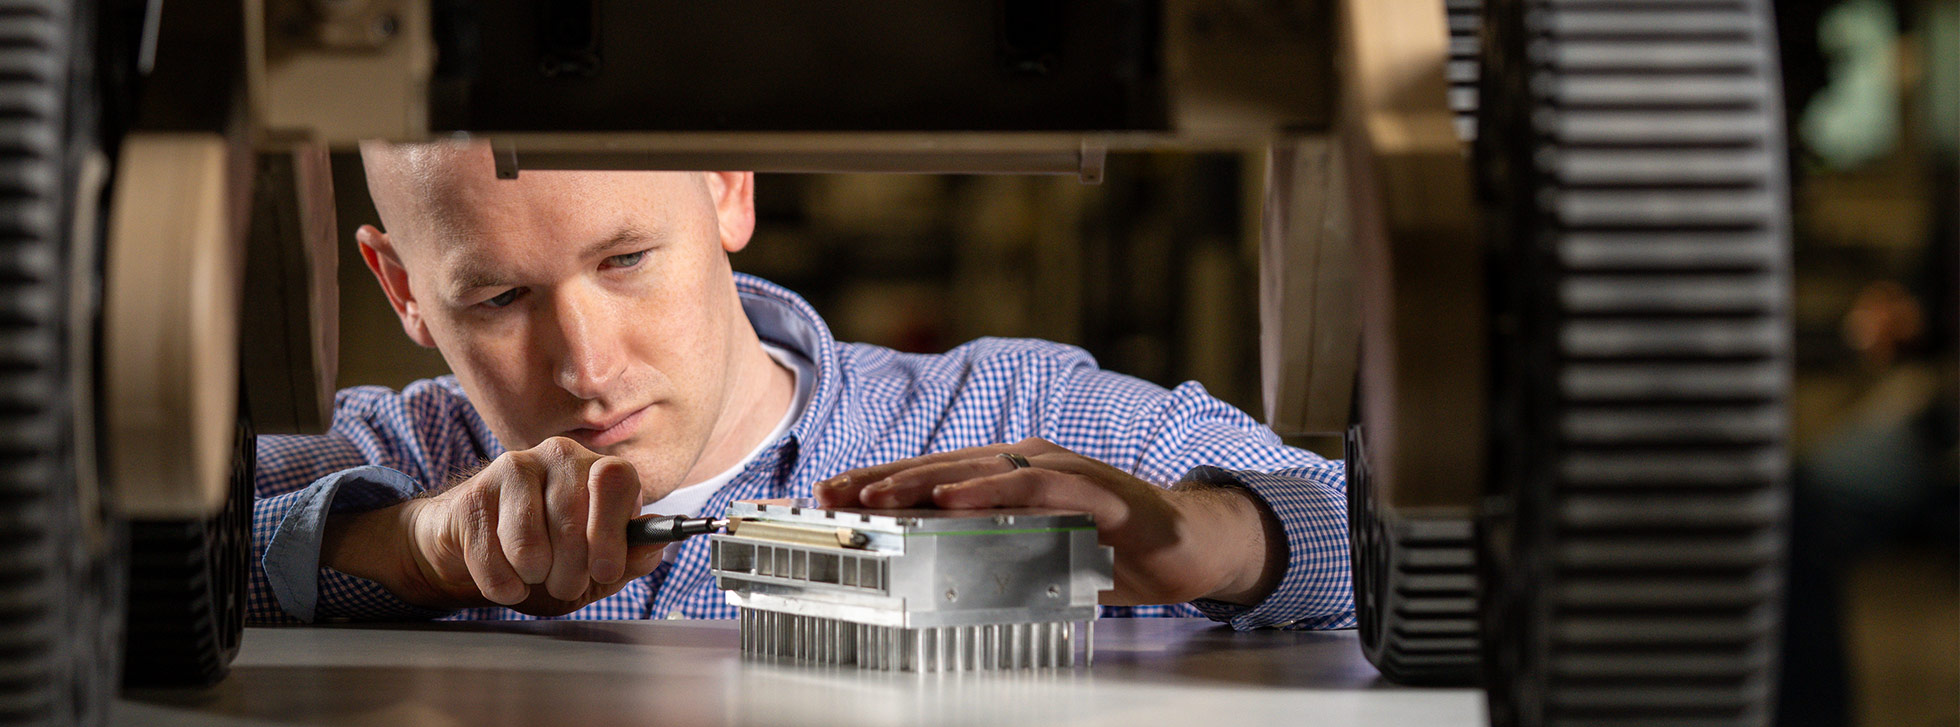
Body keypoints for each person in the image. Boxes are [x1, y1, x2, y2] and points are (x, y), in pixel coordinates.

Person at [248, 140, 1353, 631]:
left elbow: (1403, 538)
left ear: (727, 186)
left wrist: (1217, 537)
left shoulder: (1022, 416)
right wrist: (400, 550)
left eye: (625, 259)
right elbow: (102, 558)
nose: (585, 368)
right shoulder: (385, 459)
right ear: (400, 288)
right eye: (496, 301)